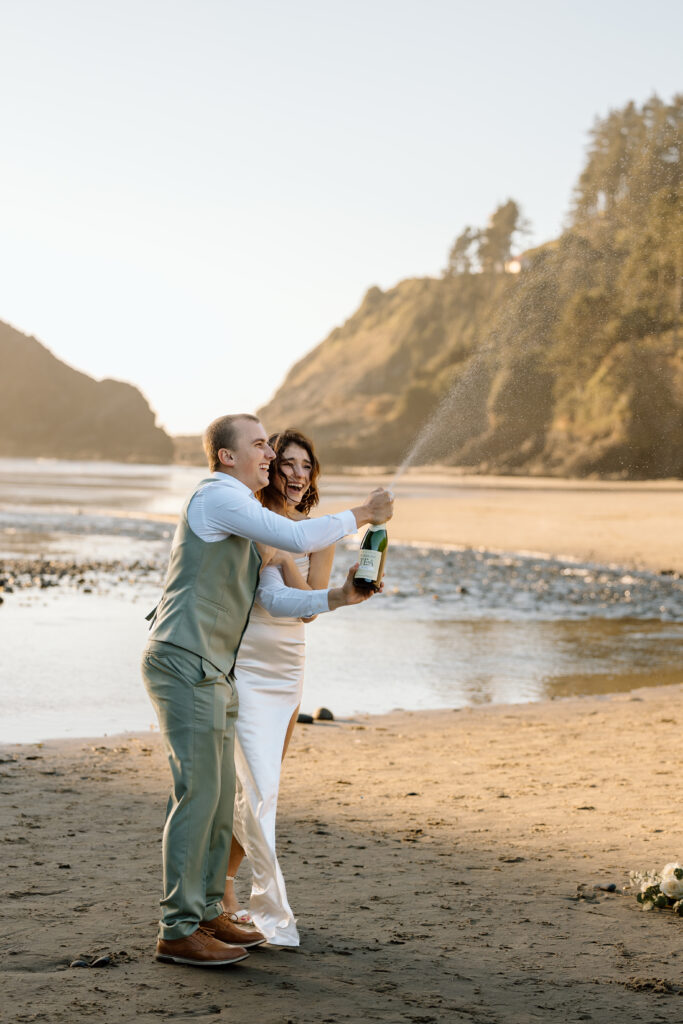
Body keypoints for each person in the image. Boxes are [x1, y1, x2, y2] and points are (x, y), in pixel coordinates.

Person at [141, 413, 393, 967]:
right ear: (228, 457)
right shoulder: (219, 496)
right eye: (259, 445)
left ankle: (207, 913)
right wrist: (364, 514)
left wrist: (340, 596)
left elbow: (288, 585)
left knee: (213, 798)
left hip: (214, 665)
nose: (269, 453)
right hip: (187, 657)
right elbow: (299, 538)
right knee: (199, 796)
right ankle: (178, 928)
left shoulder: (246, 510)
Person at [223, 429, 334, 945]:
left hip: (289, 669)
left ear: (313, 475)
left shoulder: (317, 534)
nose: (295, 473)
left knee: (263, 793)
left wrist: (286, 557)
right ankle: (225, 893)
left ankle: (234, 893)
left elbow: (311, 607)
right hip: (246, 662)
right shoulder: (249, 518)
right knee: (252, 783)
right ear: (271, 468)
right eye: (286, 463)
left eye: (305, 466)